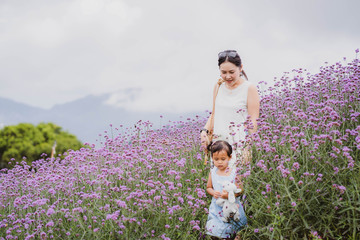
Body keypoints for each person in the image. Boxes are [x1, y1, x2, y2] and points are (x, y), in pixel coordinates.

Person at [200, 50, 260, 168]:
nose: (227, 76)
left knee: (237, 185)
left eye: (232, 72)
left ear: (240, 68)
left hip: (239, 147)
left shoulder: (249, 88)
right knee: (217, 184)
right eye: (223, 72)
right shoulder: (218, 86)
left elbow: (253, 121)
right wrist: (204, 131)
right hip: (218, 149)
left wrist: (248, 149)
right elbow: (214, 114)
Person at [205, 140, 247, 240]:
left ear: (230, 157)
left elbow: (240, 190)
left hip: (232, 205)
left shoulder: (234, 172)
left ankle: (236, 235)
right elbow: (208, 187)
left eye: (223, 159)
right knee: (216, 227)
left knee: (233, 224)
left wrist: (229, 196)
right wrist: (213, 192)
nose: (219, 162)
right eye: (216, 159)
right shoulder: (213, 172)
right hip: (217, 206)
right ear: (212, 158)